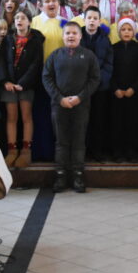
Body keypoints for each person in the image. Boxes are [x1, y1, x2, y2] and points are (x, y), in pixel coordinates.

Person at [42, 21, 101, 192]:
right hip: (59, 105)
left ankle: (78, 176)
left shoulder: (89, 56)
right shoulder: (54, 56)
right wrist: (59, 98)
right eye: (67, 33)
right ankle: (60, 176)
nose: (71, 36)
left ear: (80, 36)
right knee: (61, 141)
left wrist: (80, 97)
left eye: (74, 33)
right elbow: (47, 78)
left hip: (81, 105)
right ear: (63, 36)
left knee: (78, 141)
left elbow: (95, 79)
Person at [0, 9, 43, 168]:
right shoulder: (8, 39)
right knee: (11, 117)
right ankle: (11, 151)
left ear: (29, 22)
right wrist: (5, 81)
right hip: (9, 84)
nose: (19, 21)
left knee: (26, 116)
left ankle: (25, 151)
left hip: (26, 85)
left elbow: (36, 64)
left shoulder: (36, 40)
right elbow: (1, 61)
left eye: (23, 18)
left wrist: (23, 83)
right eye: (17, 18)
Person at [78, 8, 113, 162]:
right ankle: (82, 150)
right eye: (89, 18)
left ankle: (98, 150)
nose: (92, 21)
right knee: (82, 120)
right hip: (80, 86)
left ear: (99, 21)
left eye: (95, 18)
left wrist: (98, 82)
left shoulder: (105, 38)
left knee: (99, 120)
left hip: (100, 87)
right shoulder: (77, 36)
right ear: (84, 20)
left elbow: (109, 63)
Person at [109, 17, 138, 161]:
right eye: (123, 29)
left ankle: (132, 151)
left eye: (129, 29)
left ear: (134, 31)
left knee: (133, 122)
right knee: (117, 123)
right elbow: (109, 71)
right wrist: (115, 88)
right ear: (119, 32)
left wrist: (133, 88)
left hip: (134, 92)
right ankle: (117, 151)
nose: (126, 32)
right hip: (116, 92)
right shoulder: (113, 48)